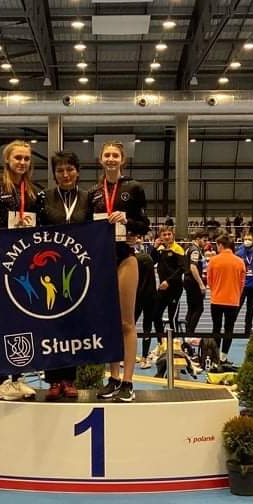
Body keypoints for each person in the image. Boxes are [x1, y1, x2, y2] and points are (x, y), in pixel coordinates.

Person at [0, 140, 40, 401]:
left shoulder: (32, 192)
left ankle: (18, 377)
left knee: (23, 319)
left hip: (24, 265)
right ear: (7, 160)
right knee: (2, 321)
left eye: (26, 158)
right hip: (0, 265)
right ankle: (2, 380)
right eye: (18, 158)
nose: (22, 162)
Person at [88, 140, 149, 402]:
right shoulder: (93, 193)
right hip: (101, 262)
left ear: (122, 160)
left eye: (115, 155)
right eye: (107, 155)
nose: (111, 159)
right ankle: (113, 378)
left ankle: (128, 381)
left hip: (125, 258)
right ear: (100, 159)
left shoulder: (134, 188)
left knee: (126, 322)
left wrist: (128, 221)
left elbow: (145, 225)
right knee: (109, 323)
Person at [37, 150, 91, 400]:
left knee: (73, 324)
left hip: (77, 270)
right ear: (54, 174)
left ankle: (69, 380)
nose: (65, 174)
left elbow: (96, 229)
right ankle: (53, 380)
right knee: (50, 323)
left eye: (70, 169)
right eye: (60, 170)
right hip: (49, 270)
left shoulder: (88, 198)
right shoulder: (44, 198)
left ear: (77, 172)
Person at [207, 234, 246, 363]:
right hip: (233, 300)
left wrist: (216, 290)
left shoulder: (213, 260)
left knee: (216, 328)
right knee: (229, 329)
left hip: (217, 299)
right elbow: (242, 283)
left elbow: (210, 281)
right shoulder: (240, 262)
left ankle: (215, 356)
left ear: (220, 245)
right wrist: (236, 294)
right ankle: (223, 357)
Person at [152, 227, 185, 343]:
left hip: (175, 289)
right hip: (162, 289)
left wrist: (168, 281)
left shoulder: (178, 249)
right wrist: (154, 248)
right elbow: (152, 261)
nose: (167, 237)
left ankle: (175, 344)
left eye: (169, 234)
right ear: (160, 237)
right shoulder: (160, 249)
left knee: (172, 318)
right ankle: (161, 342)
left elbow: (182, 268)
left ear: (173, 235)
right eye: (164, 234)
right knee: (155, 315)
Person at [183, 230, 208, 334]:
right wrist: (201, 284)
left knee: (191, 308)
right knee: (199, 308)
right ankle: (190, 332)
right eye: (204, 240)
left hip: (188, 280)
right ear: (198, 239)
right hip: (193, 282)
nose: (206, 242)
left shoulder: (189, 248)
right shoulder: (195, 250)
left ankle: (188, 332)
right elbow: (193, 267)